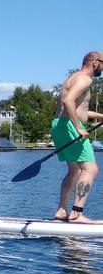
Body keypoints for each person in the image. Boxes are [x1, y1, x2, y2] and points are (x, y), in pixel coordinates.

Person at [52, 51, 103, 223]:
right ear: (95, 63)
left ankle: (61, 210)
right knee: (91, 169)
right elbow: (69, 102)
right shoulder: (85, 79)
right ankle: (76, 214)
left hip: (60, 125)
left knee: (74, 171)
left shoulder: (73, 78)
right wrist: (77, 128)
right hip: (70, 126)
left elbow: (80, 110)